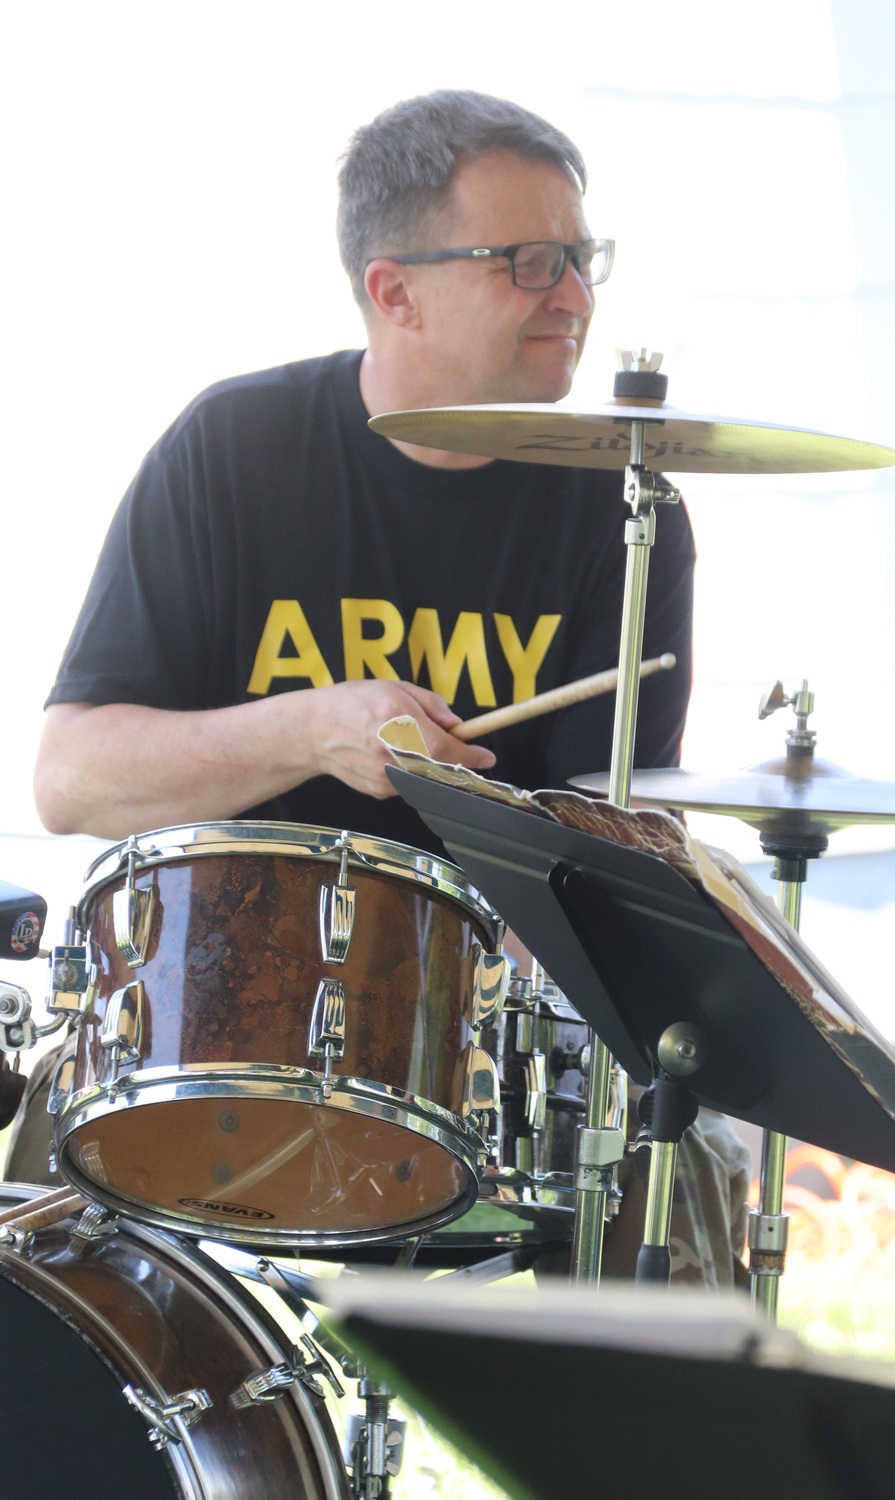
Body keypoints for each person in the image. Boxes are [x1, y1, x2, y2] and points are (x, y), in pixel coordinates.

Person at [21, 90, 749, 1283]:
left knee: (689, 1170)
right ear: (393, 289)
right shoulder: (233, 452)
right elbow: (71, 780)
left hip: (480, 1042)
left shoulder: (628, 511)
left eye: (580, 259)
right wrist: (315, 724)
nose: (572, 297)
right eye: (527, 264)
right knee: (51, 1256)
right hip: (208, 1019)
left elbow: (615, 847)